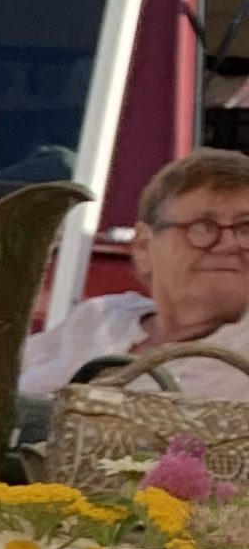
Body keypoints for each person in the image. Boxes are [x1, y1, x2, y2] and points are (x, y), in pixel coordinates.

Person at [24, 147, 249, 396]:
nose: (230, 244)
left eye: (246, 229)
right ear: (144, 246)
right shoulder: (99, 318)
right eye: (203, 226)